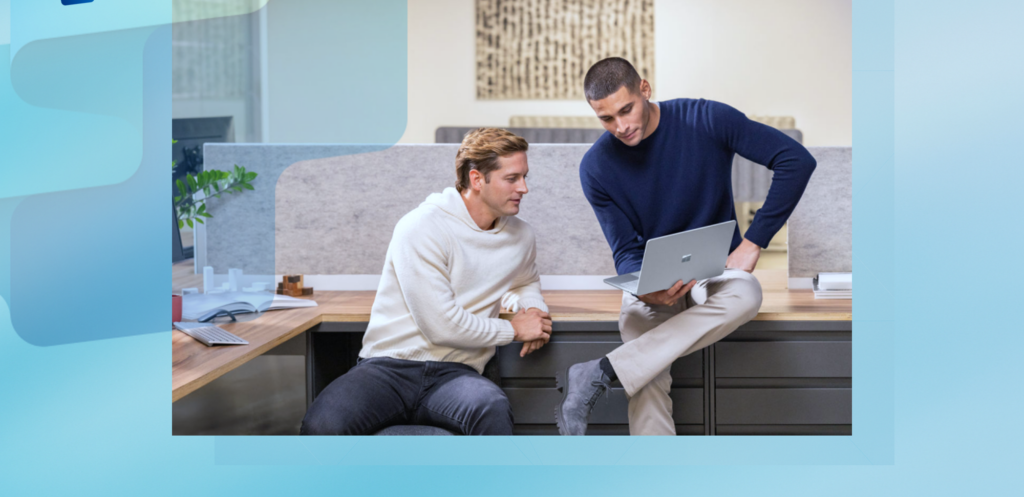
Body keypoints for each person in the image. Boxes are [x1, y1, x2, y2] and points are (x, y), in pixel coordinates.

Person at [555, 57, 817, 435]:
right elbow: (625, 249)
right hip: (655, 281)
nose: (621, 126)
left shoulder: (706, 119)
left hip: (716, 272)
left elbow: (795, 160)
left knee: (747, 294)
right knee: (636, 331)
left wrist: (754, 240)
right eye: (607, 119)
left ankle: (605, 370)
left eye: (626, 109)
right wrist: (645, 289)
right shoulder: (596, 167)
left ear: (645, 89)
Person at [301, 128, 552, 435]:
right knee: (322, 425)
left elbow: (524, 280)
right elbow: (441, 325)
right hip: (388, 367)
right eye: (512, 178)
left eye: (525, 176)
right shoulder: (422, 227)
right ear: (477, 179)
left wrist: (534, 313)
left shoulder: (520, 235)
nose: (524, 188)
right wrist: (513, 328)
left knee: (490, 407)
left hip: (457, 374)